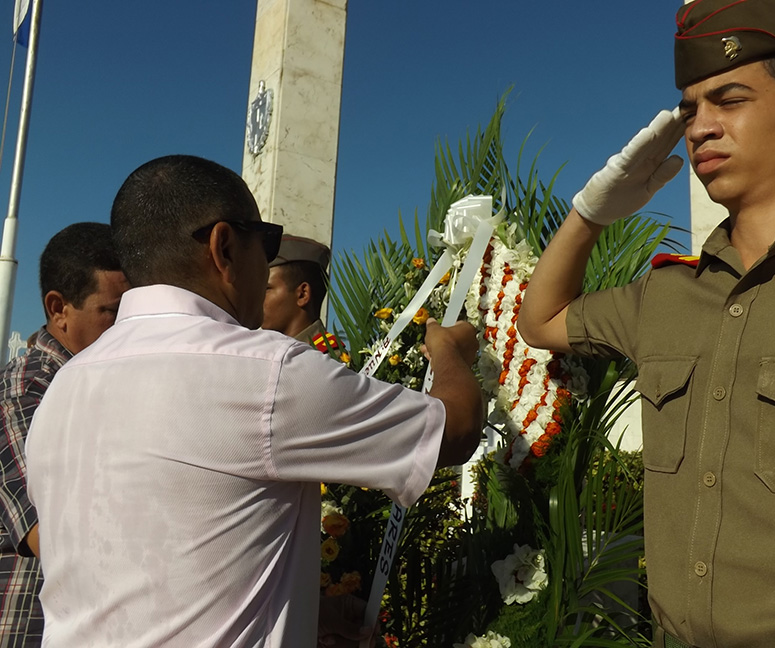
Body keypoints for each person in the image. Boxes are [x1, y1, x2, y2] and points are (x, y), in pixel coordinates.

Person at [25, 155, 483, 648]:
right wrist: (448, 352)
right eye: (266, 243)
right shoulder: (268, 374)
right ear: (223, 246)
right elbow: (453, 431)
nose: (266, 266)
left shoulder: (64, 389)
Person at [518, 0, 775, 645]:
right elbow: (541, 321)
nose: (701, 127)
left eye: (729, 100)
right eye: (691, 109)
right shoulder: (668, 293)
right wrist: (590, 212)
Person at [0, 222, 128, 646]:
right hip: (29, 628)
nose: (127, 327)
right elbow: (46, 535)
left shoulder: (102, 380)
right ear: (58, 309)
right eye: (111, 312)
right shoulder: (26, 391)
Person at [261, 234, 337, 350]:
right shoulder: (266, 352)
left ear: (303, 294)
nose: (257, 298)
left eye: (266, 289)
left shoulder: (330, 361)